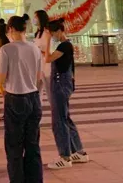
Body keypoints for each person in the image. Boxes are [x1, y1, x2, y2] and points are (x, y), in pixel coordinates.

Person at [0, 16, 43, 183]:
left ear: (10, 29)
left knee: (14, 147)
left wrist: (4, 91)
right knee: (32, 145)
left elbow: (1, 78)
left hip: (15, 97)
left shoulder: (6, 49)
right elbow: (39, 78)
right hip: (34, 98)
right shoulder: (34, 48)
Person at [44, 19, 88, 169]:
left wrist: (47, 41)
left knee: (59, 121)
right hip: (63, 84)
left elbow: (48, 58)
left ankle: (65, 157)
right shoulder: (65, 45)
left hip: (60, 85)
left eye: (52, 34)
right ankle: (79, 152)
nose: (51, 36)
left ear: (58, 31)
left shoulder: (64, 45)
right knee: (65, 118)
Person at [32, 10, 51, 103]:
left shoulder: (47, 33)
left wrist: (40, 51)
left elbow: (49, 50)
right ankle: (37, 109)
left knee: (49, 91)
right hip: (38, 65)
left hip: (46, 65)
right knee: (36, 90)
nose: (34, 19)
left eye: (35, 17)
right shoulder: (38, 33)